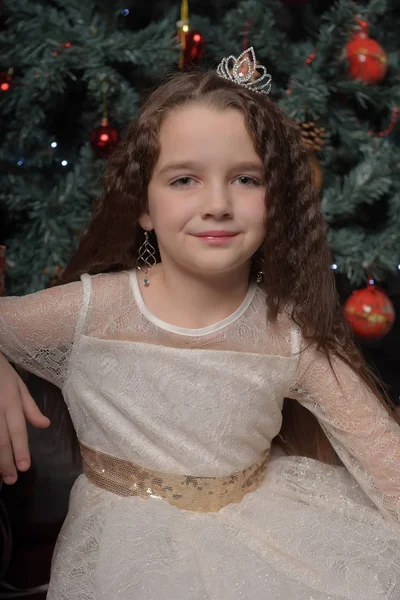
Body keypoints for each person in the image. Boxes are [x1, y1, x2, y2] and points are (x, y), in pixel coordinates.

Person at [0, 47, 399, 600]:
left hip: (266, 542)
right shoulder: (92, 310)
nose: (217, 204)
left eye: (246, 179)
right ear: (143, 205)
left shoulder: (287, 336)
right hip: (126, 555)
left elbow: (388, 460)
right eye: (184, 180)